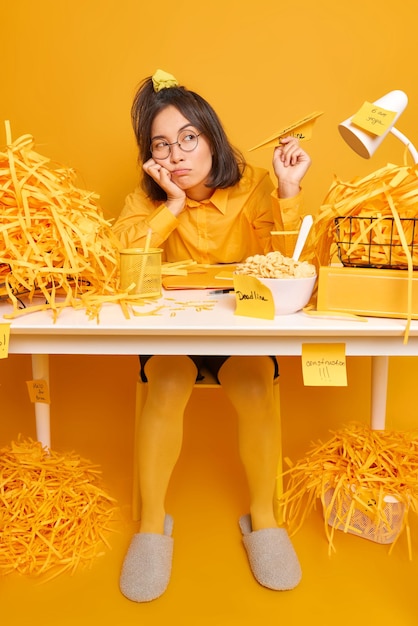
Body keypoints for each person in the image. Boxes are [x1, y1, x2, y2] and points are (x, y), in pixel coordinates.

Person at [113, 69, 312, 603]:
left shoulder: (253, 189)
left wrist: (288, 190)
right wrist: (172, 207)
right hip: (169, 334)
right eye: (162, 144)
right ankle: (151, 525)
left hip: (242, 328)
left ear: (211, 137)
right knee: (170, 381)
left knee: (252, 386)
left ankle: (264, 518)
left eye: (188, 138)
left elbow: (295, 269)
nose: (177, 153)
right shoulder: (143, 203)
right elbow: (121, 273)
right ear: (150, 156)